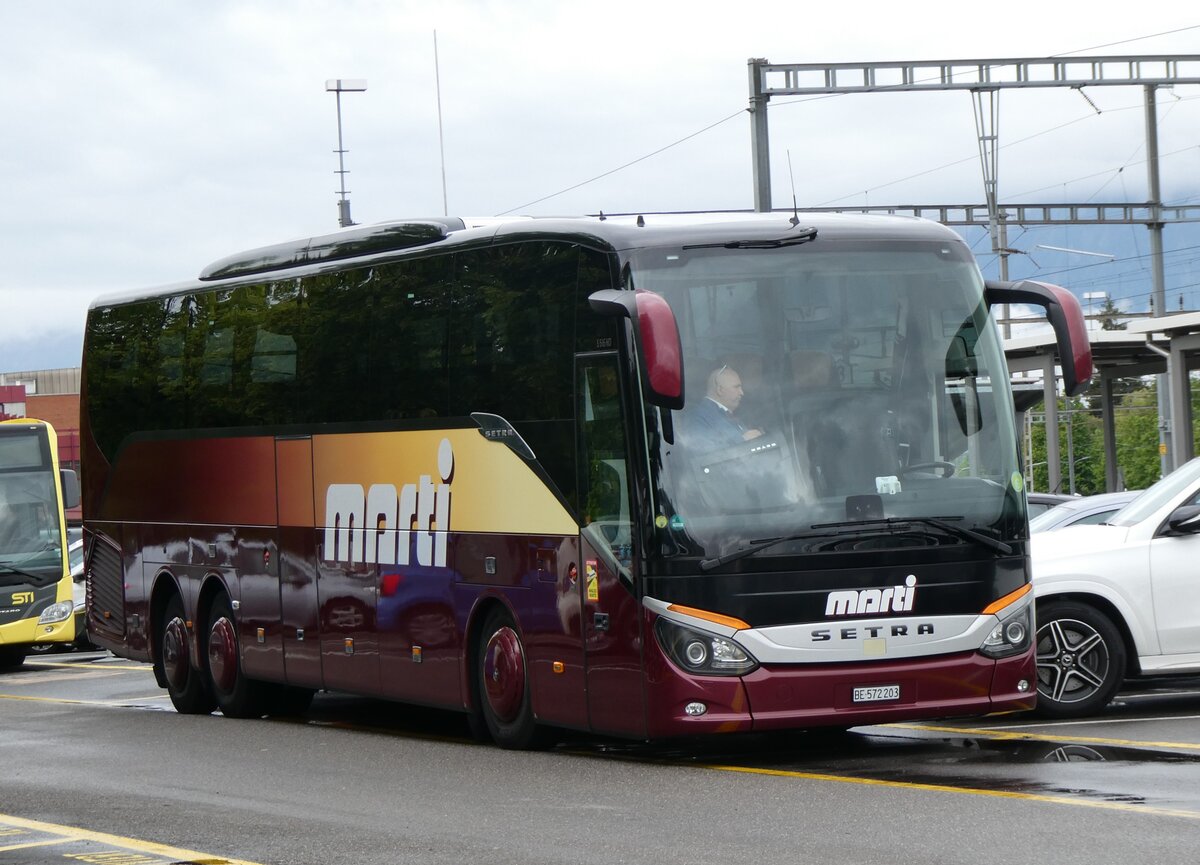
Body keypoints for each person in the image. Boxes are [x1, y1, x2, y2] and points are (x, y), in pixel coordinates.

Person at [684, 365, 764, 451]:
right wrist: (742, 440)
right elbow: (701, 451)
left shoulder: (727, 415)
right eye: (736, 387)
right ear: (720, 390)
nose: (742, 392)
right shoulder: (698, 417)